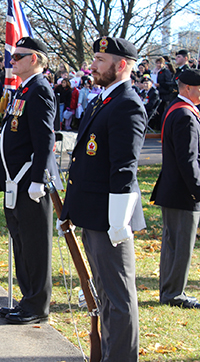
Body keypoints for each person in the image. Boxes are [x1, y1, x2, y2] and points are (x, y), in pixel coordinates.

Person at [60, 36, 146, 361]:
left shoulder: (127, 104)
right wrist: (70, 209)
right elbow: (85, 160)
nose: (92, 65)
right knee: (105, 296)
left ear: (120, 65)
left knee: (119, 297)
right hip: (94, 214)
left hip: (111, 218)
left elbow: (124, 167)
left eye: (99, 59)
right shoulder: (102, 101)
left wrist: (118, 220)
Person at [0, 37, 57, 324]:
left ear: (34, 59)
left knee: (34, 245)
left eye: (18, 56)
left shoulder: (40, 90)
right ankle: (27, 299)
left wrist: (38, 180)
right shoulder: (24, 90)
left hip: (29, 182)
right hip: (15, 181)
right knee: (21, 243)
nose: (12, 61)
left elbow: (45, 139)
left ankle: (37, 305)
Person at [151, 69, 200, 309]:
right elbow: (188, 160)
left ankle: (169, 289)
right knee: (180, 246)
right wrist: (198, 190)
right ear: (188, 88)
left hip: (173, 188)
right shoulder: (185, 115)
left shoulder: (177, 109)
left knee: (173, 245)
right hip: (183, 191)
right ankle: (174, 293)